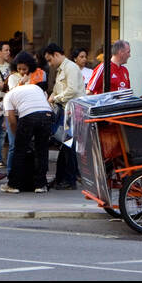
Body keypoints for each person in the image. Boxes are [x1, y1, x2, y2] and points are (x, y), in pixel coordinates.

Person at [0, 52, 53, 193]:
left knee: (20, 150)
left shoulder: (9, 96)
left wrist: (17, 134)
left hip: (29, 115)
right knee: (42, 150)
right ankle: (40, 184)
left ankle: (14, 185)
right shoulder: (35, 87)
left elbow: (11, 120)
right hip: (47, 114)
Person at [45, 44, 83, 189]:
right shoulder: (61, 69)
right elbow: (55, 90)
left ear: (56, 54)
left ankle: (70, 180)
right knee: (65, 145)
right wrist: (51, 97)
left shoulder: (70, 68)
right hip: (64, 111)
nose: (50, 63)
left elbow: (72, 90)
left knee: (68, 146)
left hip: (72, 111)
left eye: (50, 60)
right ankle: (61, 178)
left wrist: (55, 98)